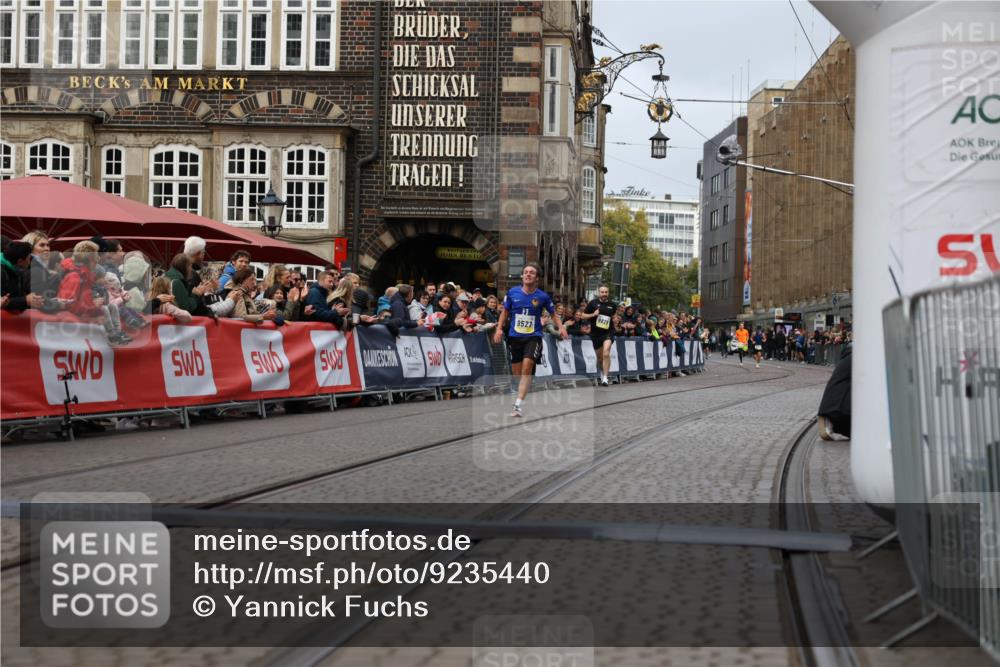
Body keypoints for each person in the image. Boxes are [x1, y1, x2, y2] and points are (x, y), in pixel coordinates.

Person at [492, 263, 567, 417]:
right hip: (515, 336)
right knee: (517, 373)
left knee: (527, 368)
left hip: (534, 336)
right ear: (522, 276)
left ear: (536, 278)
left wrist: (561, 327)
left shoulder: (542, 296)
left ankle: (518, 405)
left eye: (531, 273)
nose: (528, 275)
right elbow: (504, 313)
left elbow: (553, 314)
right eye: (525, 272)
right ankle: (523, 389)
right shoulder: (512, 293)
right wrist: (499, 329)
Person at [57, 241, 131, 345]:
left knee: (110, 307)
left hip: (85, 316)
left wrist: (93, 305)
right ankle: (112, 336)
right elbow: (68, 304)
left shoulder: (85, 275)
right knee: (106, 308)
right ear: (89, 258)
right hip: (77, 326)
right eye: (96, 254)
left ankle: (116, 334)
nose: (98, 258)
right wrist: (92, 307)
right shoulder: (74, 276)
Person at [579, 284, 617, 386]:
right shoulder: (593, 303)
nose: (604, 294)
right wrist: (593, 314)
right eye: (602, 292)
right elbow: (583, 316)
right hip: (596, 334)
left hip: (608, 332)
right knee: (600, 358)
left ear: (608, 293)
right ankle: (602, 372)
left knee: (606, 353)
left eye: (606, 292)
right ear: (599, 293)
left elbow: (613, 316)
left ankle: (605, 378)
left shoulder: (612, 305)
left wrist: (615, 320)